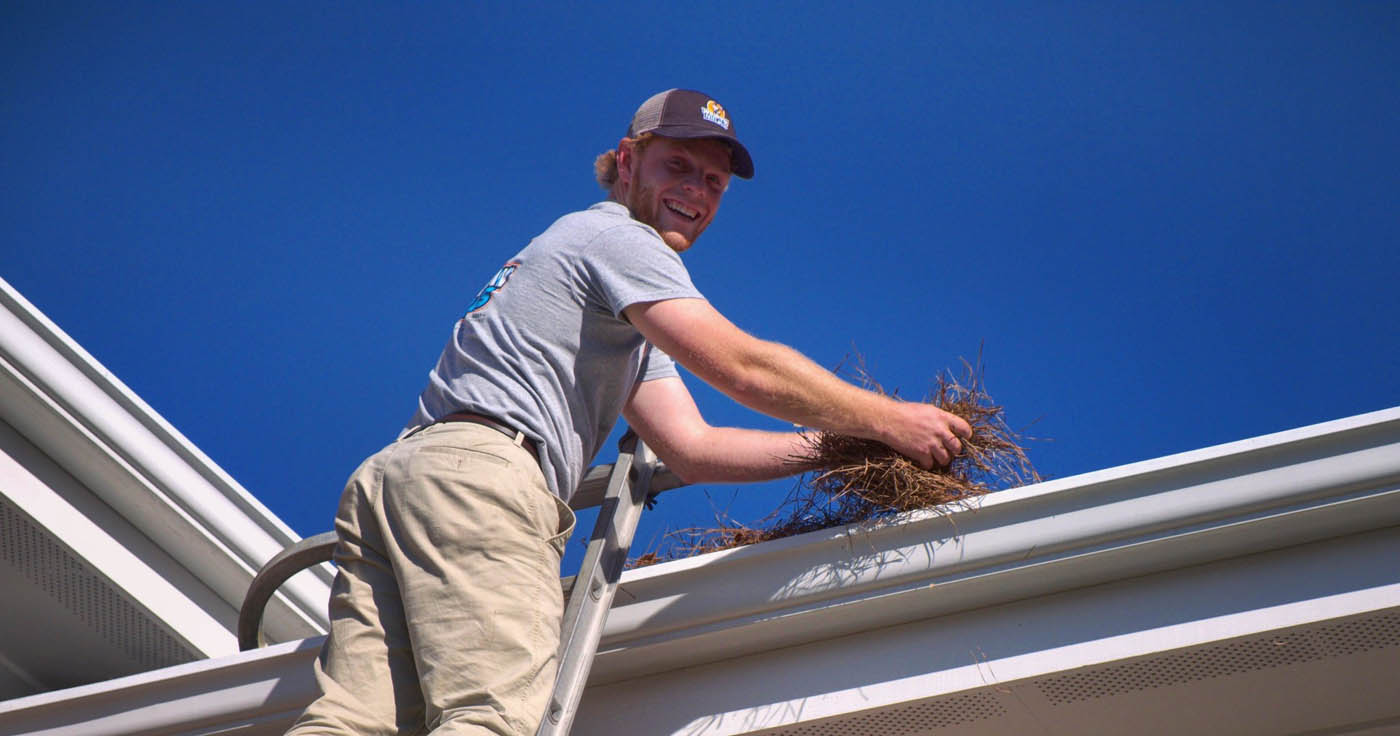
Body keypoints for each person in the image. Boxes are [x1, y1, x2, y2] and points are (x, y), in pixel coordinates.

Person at [286, 88, 971, 735]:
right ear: (626, 158)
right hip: (483, 482)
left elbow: (690, 447)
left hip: (403, 479)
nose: (697, 192)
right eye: (679, 165)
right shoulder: (618, 240)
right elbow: (740, 365)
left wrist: (837, 449)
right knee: (490, 715)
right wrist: (887, 418)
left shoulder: (610, 305)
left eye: (713, 184)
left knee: (352, 724)